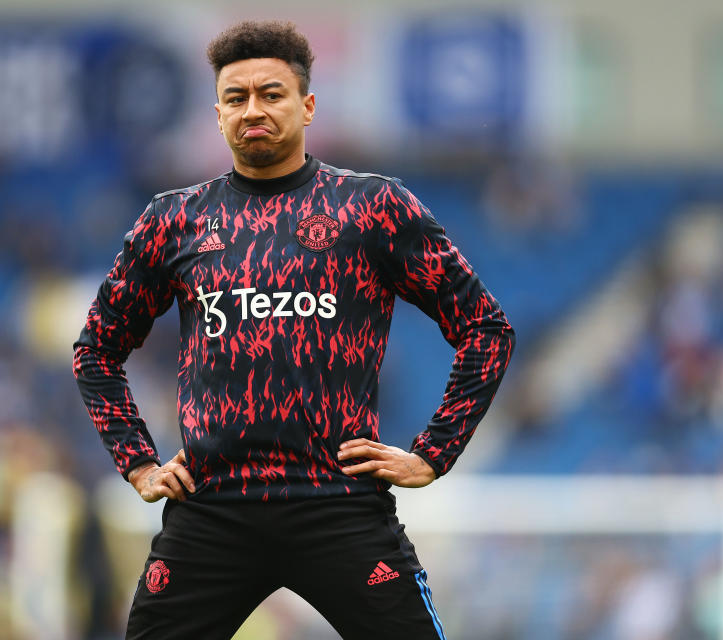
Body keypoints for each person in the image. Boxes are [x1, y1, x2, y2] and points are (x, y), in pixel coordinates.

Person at [73, 20, 515, 640]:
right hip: (212, 508)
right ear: (218, 113)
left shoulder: (373, 207)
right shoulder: (172, 220)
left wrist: (433, 455)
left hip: (337, 505)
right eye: (236, 98)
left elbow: (485, 328)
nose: (253, 109)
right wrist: (139, 463)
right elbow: (95, 351)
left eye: (272, 94)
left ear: (307, 106)